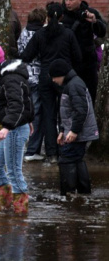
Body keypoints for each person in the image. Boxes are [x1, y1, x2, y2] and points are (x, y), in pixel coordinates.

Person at [21, 2, 82, 164]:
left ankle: (51, 153)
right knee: (66, 113)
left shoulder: (40, 34)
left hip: (45, 77)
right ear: (62, 16)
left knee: (48, 115)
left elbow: (27, 55)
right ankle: (66, 148)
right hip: (64, 77)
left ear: (46, 17)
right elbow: (78, 57)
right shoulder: (68, 34)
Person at [0, 46, 34, 214]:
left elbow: (17, 105)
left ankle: (20, 212)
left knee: (14, 172)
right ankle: (3, 204)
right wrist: (29, 120)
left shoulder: (10, 79)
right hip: (16, 126)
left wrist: (7, 127)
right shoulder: (10, 77)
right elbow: (26, 100)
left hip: (14, 129)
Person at [50, 59, 98, 196]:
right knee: (76, 159)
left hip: (77, 132)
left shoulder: (74, 85)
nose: (53, 80)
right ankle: (83, 193)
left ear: (61, 74)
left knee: (67, 158)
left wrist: (74, 131)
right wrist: (62, 131)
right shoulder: (72, 84)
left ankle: (68, 195)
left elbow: (81, 110)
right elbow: (67, 111)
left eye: (54, 76)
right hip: (73, 131)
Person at [61, 0, 107, 103]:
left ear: (79, 0)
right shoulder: (62, 14)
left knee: (90, 94)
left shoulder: (90, 13)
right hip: (68, 61)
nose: (67, 2)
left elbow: (102, 33)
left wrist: (95, 22)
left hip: (88, 61)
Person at [18, 7, 47, 162]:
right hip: (37, 76)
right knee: (37, 114)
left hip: (24, 76)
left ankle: (24, 146)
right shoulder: (41, 34)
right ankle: (32, 150)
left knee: (26, 112)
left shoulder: (23, 32)